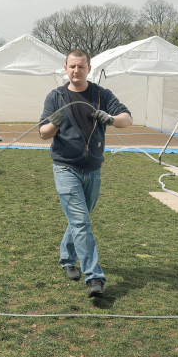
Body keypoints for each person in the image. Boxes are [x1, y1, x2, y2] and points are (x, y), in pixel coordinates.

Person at [39, 49, 132, 298]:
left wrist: (110, 119)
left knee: (81, 219)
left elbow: (127, 119)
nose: (76, 71)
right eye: (72, 66)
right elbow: (43, 132)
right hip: (65, 167)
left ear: (89, 69)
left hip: (93, 168)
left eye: (81, 67)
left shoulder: (101, 95)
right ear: (65, 68)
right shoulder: (56, 97)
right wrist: (54, 122)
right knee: (81, 222)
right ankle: (94, 277)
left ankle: (67, 259)